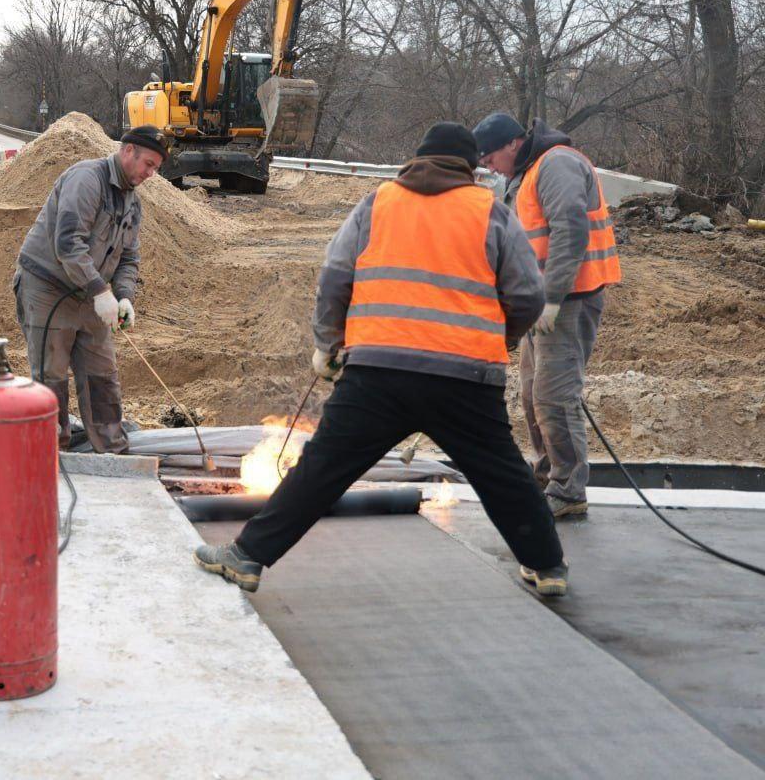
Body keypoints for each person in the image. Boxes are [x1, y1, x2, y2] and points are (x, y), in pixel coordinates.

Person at [195, 123, 570, 596]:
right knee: (504, 476)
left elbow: (334, 277)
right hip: (467, 378)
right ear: (470, 167)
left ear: (415, 160)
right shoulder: (490, 210)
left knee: (321, 470)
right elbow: (528, 295)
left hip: (377, 374)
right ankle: (547, 567)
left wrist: (327, 344)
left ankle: (247, 557)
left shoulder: (378, 203)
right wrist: (501, 339)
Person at [473, 113, 622, 518]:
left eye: (490, 159)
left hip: (569, 301)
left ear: (511, 144)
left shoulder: (556, 164)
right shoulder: (524, 174)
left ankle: (569, 490)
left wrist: (552, 298)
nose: (490, 168)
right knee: (531, 393)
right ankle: (546, 474)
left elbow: (570, 232)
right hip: (540, 304)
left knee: (555, 397)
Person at [13, 125, 167, 453]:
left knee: (102, 373)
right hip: (48, 288)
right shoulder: (87, 179)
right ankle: (53, 454)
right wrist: (100, 291)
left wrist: (124, 297)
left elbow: (129, 257)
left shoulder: (132, 203)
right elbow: (68, 243)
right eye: (148, 164)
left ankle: (111, 449)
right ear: (128, 151)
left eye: (155, 168)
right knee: (51, 374)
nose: (151, 173)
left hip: (89, 291)